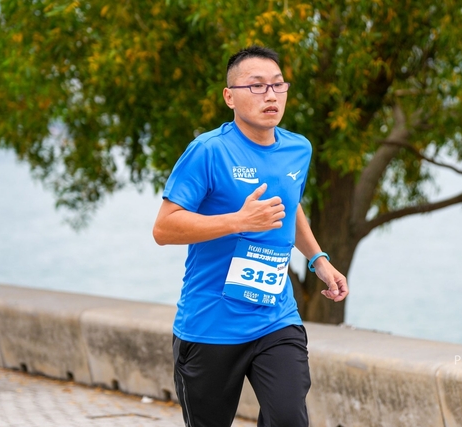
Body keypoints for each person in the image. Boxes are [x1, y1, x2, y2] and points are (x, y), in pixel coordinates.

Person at [152, 45, 349, 427]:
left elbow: (289, 206)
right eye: (257, 86)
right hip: (210, 325)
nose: (270, 95)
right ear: (230, 97)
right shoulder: (208, 151)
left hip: (276, 318)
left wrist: (318, 259)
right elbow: (164, 228)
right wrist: (238, 221)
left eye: (278, 85)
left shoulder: (298, 149)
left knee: (289, 419)